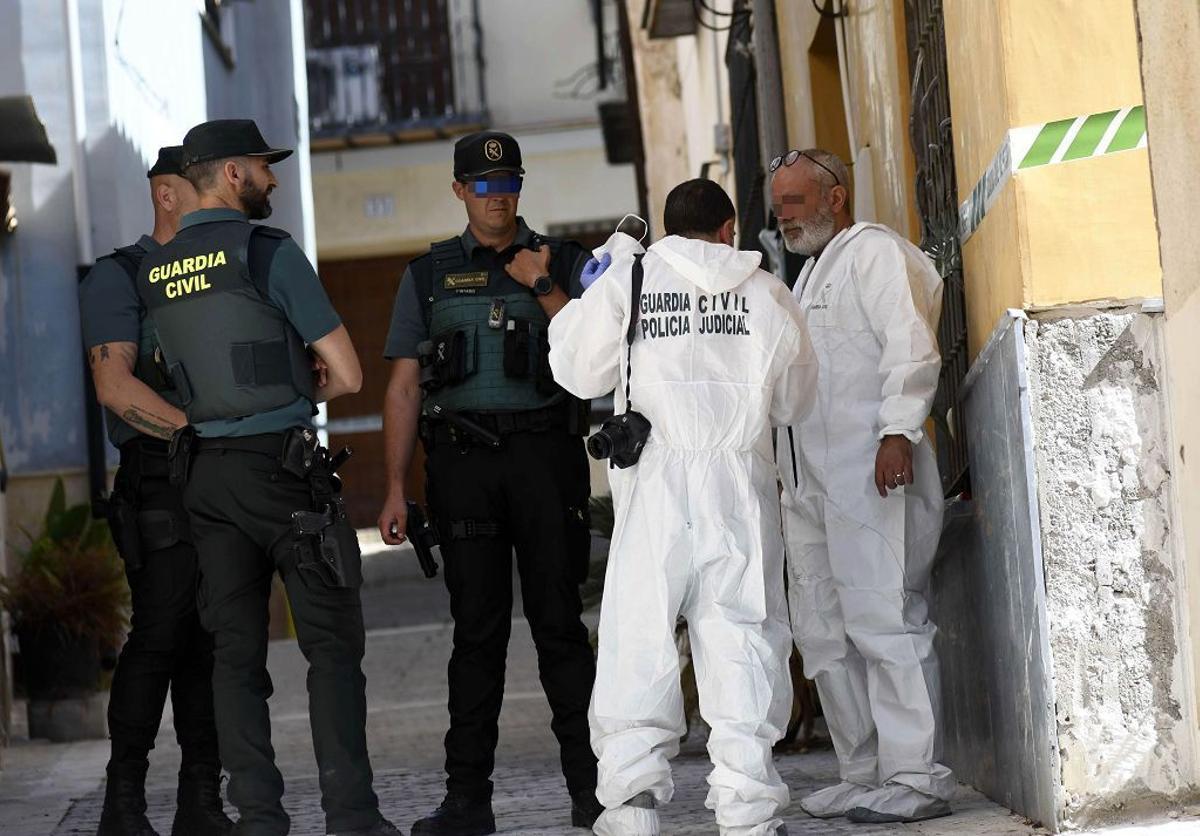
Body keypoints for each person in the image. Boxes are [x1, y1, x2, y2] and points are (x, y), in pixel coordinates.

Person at [133, 119, 399, 836]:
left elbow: (178, 375)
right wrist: (296, 383)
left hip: (205, 481)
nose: (273, 177)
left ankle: (257, 819)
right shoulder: (267, 252)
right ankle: (352, 816)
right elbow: (346, 374)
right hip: (282, 477)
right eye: (262, 165)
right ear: (229, 174)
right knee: (333, 648)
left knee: (235, 655)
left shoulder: (155, 271)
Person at [548, 178, 819, 836]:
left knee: (638, 640)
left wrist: (605, 273)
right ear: (729, 229)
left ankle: (633, 808)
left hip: (655, 485)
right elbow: (796, 401)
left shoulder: (631, 280)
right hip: (737, 486)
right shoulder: (765, 291)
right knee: (743, 637)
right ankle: (748, 809)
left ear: (669, 229)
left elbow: (575, 369)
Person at [377, 130, 602, 835]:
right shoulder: (427, 275)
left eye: (507, 184)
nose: (497, 197)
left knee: (561, 628)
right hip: (464, 468)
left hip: (545, 461)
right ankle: (467, 801)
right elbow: (405, 387)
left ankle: (593, 790)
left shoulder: (563, 261)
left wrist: (546, 284)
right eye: (482, 185)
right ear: (458, 191)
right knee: (476, 636)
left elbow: (598, 353)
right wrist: (392, 485)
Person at [769, 148, 954, 824]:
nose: (782, 215)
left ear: (836, 196)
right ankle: (865, 769)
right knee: (824, 631)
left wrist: (898, 431)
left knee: (885, 620)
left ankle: (917, 776)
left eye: (794, 200)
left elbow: (911, 344)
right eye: (779, 203)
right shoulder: (814, 271)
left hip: (872, 469)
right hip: (811, 486)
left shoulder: (874, 253)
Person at [79, 146, 233, 836]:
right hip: (156, 477)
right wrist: (196, 433)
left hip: (219, 479)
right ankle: (124, 804)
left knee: (208, 640)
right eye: (198, 189)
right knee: (161, 633)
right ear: (166, 194)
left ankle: (201, 804)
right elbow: (114, 386)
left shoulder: (221, 271)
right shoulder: (121, 276)